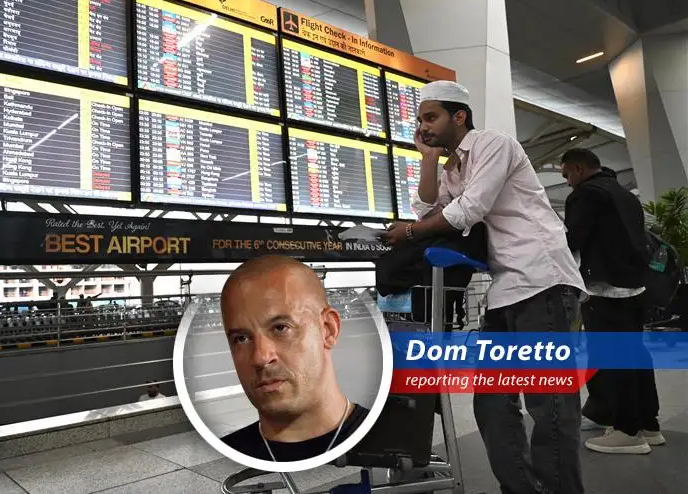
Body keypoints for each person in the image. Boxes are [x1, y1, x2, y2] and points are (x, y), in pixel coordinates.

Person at [381, 81, 586, 494]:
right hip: (505, 289)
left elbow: (467, 210)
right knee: (491, 401)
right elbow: (426, 208)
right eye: (420, 119)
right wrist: (428, 159)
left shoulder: (495, 144)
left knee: (548, 403)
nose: (423, 126)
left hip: (542, 279)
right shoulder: (453, 167)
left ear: (459, 116)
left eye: (431, 117)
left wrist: (411, 233)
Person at [561, 148, 663, 454]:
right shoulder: (625, 194)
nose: (567, 182)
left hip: (604, 288)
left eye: (566, 175)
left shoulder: (586, 194)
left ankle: (627, 431)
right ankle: (648, 424)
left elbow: (571, 241)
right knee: (636, 354)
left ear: (578, 169)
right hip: (634, 287)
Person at [219, 256, 369, 462]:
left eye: (281, 328)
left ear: (327, 330)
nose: (261, 357)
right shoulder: (227, 452)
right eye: (241, 338)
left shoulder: (391, 437)